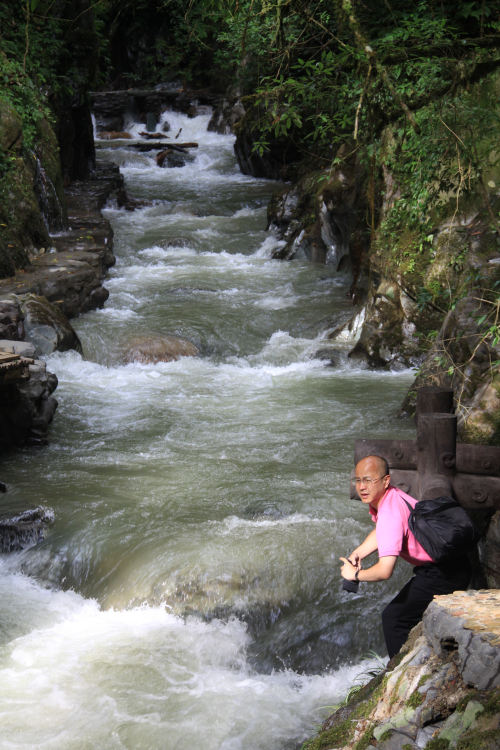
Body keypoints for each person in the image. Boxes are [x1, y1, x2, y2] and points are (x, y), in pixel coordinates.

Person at [339, 454, 471, 659]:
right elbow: (382, 530)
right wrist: (359, 553)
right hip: (452, 564)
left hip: (444, 573)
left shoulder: (388, 513)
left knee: (394, 619)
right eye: (358, 480)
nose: (362, 487)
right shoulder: (392, 495)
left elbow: (384, 571)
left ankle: (400, 670)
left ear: (385, 481)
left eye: (368, 480)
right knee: (403, 615)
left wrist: (354, 575)